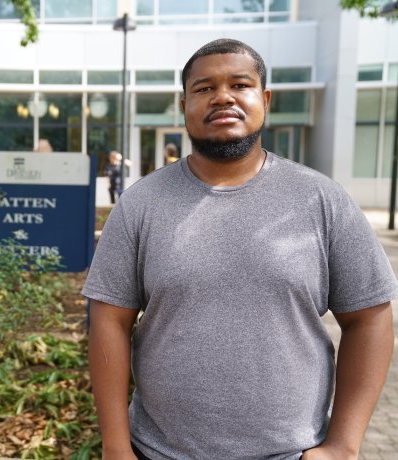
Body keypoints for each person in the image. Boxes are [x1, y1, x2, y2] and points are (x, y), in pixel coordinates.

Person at [83, 38, 396, 460]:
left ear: (264, 99)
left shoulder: (320, 200)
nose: (223, 97)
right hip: (161, 452)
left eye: (240, 84)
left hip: (292, 452)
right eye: (204, 88)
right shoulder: (141, 204)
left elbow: (370, 317)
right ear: (184, 105)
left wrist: (343, 445)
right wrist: (116, 448)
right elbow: (109, 322)